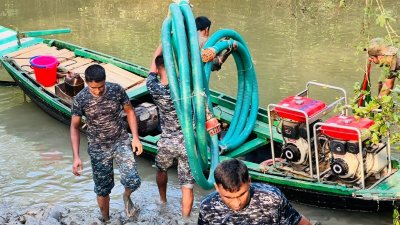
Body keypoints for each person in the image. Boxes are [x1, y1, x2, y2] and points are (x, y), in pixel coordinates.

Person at [70, 64, 142, 221]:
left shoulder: (116, 90)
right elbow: (74, 127)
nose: (97, 91)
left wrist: (135, 138)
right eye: (93, 88)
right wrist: (76, 157)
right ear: (87, 83)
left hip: (120, 141)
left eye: (101, 87)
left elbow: (130, 111)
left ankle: (126, 196)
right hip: (98, 148)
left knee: (133, 180)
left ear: (105, 81)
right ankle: (106, 219)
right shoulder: (81, 99)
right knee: (103, 189)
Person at [146, 45, 195, 218]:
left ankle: (162, 200)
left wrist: (162, 43)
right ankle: (185, 219)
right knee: (187, 184)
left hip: (167, 141)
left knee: (161, 169)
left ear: (159, 71)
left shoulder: (154, 88)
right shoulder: (187, 86)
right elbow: (191, 61)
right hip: (189, 142)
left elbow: (153, 66)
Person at [198, 159, 312, 225]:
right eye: (228, 197)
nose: (237, 203)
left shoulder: (272, 199)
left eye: (242, 194)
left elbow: (298, 221)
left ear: (249, 181)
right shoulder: (207, 207)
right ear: (217, 188)